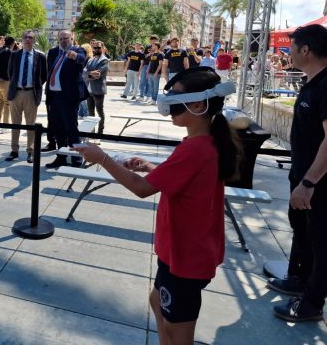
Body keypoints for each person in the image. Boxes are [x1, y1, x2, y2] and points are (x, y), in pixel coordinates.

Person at [72, 67, 239, 344]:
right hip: (182, 255)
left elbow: (141, 189)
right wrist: (152, 167)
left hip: (185, 260)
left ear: (198, 104)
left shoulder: (196, 149)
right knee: (157, 302)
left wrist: (103, 158)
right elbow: (183, 178)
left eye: (176, 98)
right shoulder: (201, 144)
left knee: (177, 331)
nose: (169, 104)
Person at [268, 24, 327, 322]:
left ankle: (312, 304)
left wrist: (309, 182)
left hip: (318, 184)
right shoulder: (311, 82)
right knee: (301, 230)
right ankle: (298, 279)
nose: (287, 53)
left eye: (291, 48)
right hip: (302, 177)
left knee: (321, 242)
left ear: (306, 50)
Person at [45, 29, 87, 169]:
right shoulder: (54, 53)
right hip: (54, 96)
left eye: (66, 38)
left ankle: (76, 159)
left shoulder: (78, 50)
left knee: (71, 129)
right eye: (61, 39)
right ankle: (61, 157)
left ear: (72, 38)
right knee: (58, 129)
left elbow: (83, 59)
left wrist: (75, 56)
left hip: (69, 97)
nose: (64, 41)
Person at [5, 30, 48, 163]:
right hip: (16, 93)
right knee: (15, 124)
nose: (28, 40)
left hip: (31, 93)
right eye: (25, 37)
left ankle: (30, 151)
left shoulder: (40, 56)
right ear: (22, 40)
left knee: (31, 125)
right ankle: (14, 150)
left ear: (34, 41)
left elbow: (44, 75)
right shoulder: (15, 55)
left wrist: (35, 87)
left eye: (30, 38)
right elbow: (10, 72)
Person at [83, 40, 109, 139]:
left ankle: (100, 132)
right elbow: (84, 73)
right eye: (95, 48)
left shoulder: (104, 60)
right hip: (89, 90)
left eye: (99, 48)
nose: (96, 49)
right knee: (90, 112)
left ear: (102, 48)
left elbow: (98, 74)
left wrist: (87, 74)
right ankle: (91, 133)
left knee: (99, 112)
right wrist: (89, 73)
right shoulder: (91, 59)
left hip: (98, 90)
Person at [0, 36, 15, 124]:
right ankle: (5, 124)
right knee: (7, 103)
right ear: (12, 43)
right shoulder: (9, 52)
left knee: (1, 101)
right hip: (4, 81)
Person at [78, 43, 93, 117]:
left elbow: (89, 70)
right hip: (81, 79)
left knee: (83, 97)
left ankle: (86, 114)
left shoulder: (90, 59)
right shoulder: (83, 58)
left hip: (86, 79)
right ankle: (81, 113)